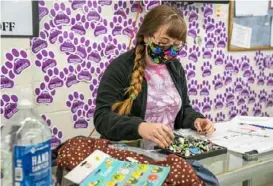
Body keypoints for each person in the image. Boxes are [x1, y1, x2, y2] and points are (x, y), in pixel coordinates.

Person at [94, 5, 215, 150]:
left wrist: (196, 120)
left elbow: (183, 110)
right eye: (163, 42)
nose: (169, 51)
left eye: (176, 46)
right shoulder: (121, 68)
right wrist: (140, 127)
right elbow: (102, 117)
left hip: (166, 149)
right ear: (146, 37)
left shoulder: (175, 68)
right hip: (129, 151)